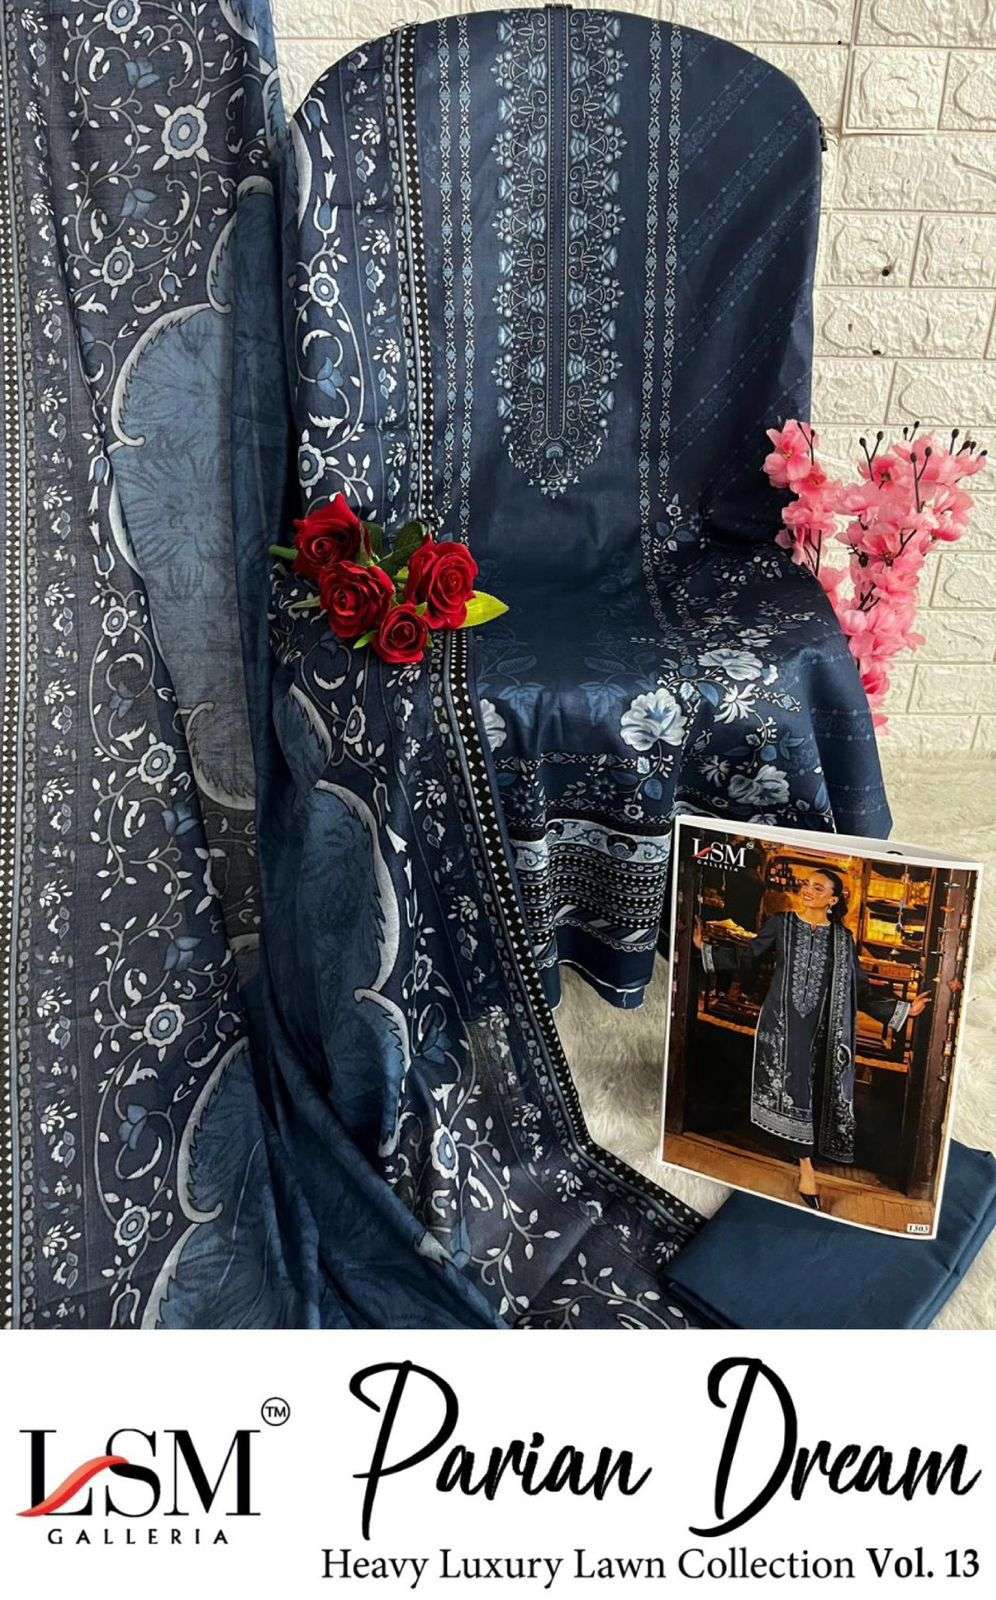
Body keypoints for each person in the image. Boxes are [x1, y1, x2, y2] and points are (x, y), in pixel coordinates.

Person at [693, 868, 932, 1211]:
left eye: (818, 888)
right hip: (783, 1024)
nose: (807, 890)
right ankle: (806, 1170)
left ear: (833, 900)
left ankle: (803, 1158)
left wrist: (904, 1009)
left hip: (825, 1029)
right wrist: (706, 950)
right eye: (806, 884)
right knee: (797, 1088)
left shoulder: (842, 938)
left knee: (816, 1090)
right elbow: (749, 956)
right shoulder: (781, 924)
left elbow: (859, 988)